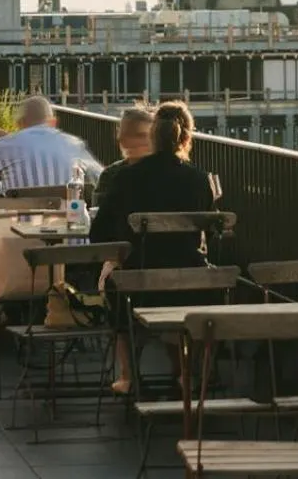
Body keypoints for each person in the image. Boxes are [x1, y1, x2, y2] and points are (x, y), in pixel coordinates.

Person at [91, 101, 216, 392]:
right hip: (192, 284)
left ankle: (128, 376)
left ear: (152, 136)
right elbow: (207, 234)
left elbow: (99, 235)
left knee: (115, 283)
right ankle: (188, 373)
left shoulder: (126, 177)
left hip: (140, 285)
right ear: (187, 138)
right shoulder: (199, 180)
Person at [0, 95, 100, 197]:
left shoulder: (4, 147)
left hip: (16, 232)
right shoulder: (74, 145)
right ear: (52, 122)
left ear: (20, 123)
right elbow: (102, 180)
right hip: (70, 231)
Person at [92, 105, 154, 208]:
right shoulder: (110, 174)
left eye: (140, 135)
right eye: (126, 134)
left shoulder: (112, 174)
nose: (131, 140)